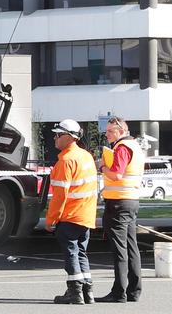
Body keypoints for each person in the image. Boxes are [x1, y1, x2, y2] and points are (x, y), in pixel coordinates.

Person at [46, 119, 99, 305]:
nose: (55, 138)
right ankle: (88, 291)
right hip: (85, 216)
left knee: (71, 254)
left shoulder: (66, 161)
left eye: (58, 135)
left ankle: (75, 293)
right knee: (81, 253)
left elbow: (59, 196)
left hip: (69, 216)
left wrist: (51, 219)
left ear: (69, 137)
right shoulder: (86, 156)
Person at [98, 116, 144, 303]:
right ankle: (133, 291)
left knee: (120, 249)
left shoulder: (122, 147)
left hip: (118, 203)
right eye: (106, 131)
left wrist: (101, 167)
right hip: (131, 200)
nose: (107, 134)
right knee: (131, 247)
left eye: (110, 131)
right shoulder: (135, 146)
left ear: (122, 131)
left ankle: (119, 292)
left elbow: (116, 174)